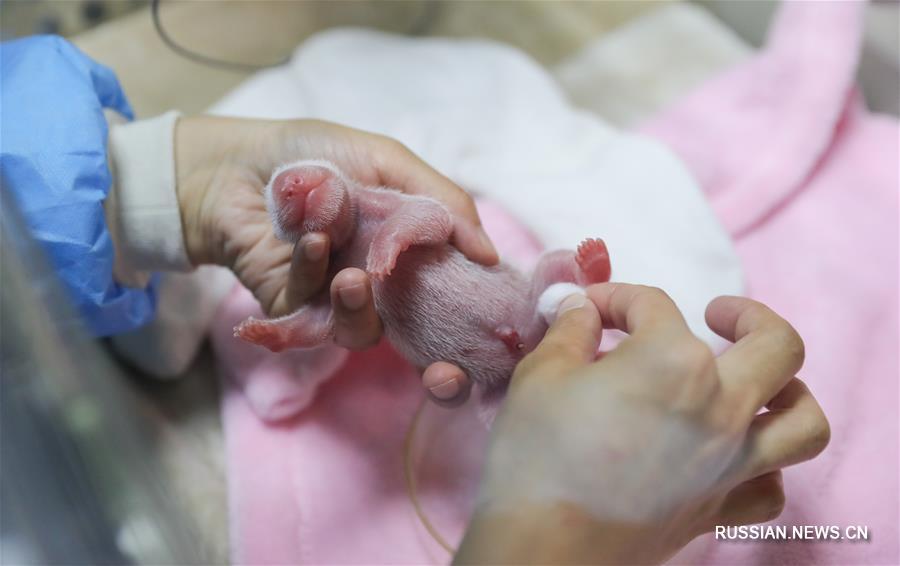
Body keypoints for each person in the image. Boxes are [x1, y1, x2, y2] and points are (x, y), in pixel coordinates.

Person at [1, 36, 829, 564]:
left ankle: (580, 269)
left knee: (548, 286)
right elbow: (328, 321)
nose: (297, 203)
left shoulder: (385, 211)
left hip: (523, 310)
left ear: (339, 186)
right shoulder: (328, 260)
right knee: (468, 396)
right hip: (491, 370)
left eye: (300, 192)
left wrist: (176, 188)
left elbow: (434, 216)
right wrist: (287, 334)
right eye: (293, 208)